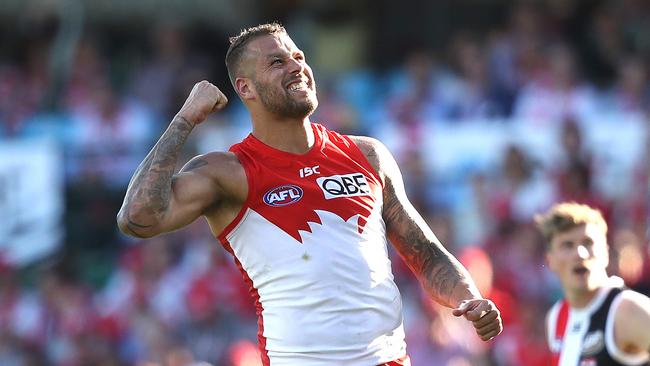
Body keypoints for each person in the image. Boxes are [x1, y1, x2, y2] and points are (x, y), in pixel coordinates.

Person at [117, 22, 503, 366]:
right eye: (276, 62)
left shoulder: (367, 154)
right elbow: (137, 218)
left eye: (298, 56)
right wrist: (185, 120)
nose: (296, 66)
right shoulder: (229, 172)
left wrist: (468, 297)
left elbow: (426, 253)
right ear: (244, 88)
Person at [535, 202, 650, 366]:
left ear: (605, 252)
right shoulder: (555, 317)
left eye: (588, 243)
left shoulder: (627, 310)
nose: (580, 254)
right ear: (550, 260)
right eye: (567, 245)